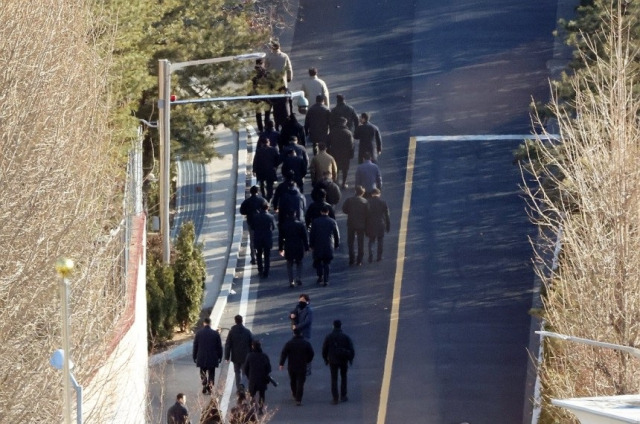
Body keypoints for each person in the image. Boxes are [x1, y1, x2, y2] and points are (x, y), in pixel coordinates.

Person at [322, 320, 355, 405]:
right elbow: (351, 349)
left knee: (334, 379)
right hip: (343, 359)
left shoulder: (329, 337)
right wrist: (350, 359)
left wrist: (326, 359)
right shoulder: (345, 337)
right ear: (341, 326)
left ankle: (335, 398)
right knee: (344, 377)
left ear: (333, 326)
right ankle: (343, 396)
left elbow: (324, 349)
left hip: (333, 360)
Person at [279, 328, 315, 406]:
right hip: (302, 365)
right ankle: (299, 399)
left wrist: (281, 363)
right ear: (301, 334)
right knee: (301, 382)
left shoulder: (289, 343)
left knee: (293, 381)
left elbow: (284, 353)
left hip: (291, 365)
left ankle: (295, 394)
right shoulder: (305, 343)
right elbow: (311, 353)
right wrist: (307, 360)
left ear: (294, 334)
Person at [309, 205, 340, 285]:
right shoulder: (332, 221)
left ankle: (320, 276)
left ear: (321, 212)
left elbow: (312, 234)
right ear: (328, 212)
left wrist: (311, 244)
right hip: (328, 244)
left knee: (318, 261)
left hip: (318, 244)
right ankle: (326, 279)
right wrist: (336, 244)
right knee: (327, 262)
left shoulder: (315, 222)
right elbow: (336, 234)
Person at [278, 211, 309, 288]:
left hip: (288, 246)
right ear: (295, 214)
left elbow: (281, 238)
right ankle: (298, 277)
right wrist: (306, 248)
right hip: (298, 245)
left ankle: (291, 281)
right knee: (299, 262)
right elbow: (304, 237)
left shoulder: (284, 225)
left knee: (289, 263)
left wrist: (281, 248)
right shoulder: (300, 224)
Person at [193, 318, 223, 394]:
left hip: (201, 357)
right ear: (210, 324)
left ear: (204, 323)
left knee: (202, 371)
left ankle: (204, 383)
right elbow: (219, 347)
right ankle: (210, 386)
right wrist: (220, 356)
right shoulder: (215, 334)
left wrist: (194, 356)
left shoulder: (199, 333)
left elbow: (195, 346)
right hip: (212, 357)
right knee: (211, 373)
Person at [225, 315, 254, 393]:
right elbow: (252, 343)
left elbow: (228, 345)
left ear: (235, 321)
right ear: (242, 321)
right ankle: (243, 386)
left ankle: (238, 388)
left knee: (237, 372)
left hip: (235, 356)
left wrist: (227, 357)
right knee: (245, 372)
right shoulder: (247, 332)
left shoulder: (231, 332)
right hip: (245, 356)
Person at [240, 186, 268, 265]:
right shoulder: (262, 200)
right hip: (261, 223)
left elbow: (242, 211)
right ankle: (261, 253)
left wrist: (248, 213)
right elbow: (266, 208)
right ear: (257, 192)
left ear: (250, 192)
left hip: (251, 222)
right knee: (261, 238)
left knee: (252, 240)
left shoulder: (247, 202)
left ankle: (253, 257)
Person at [243, 339, 272, 414]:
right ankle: (261, 409)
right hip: (262, 379)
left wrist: (249, 376)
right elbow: (269, 368)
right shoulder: (264, 356)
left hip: (253, 379)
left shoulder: (250, 356)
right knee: (262, 394)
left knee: (252, 394)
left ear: (253, 346)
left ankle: (253, 408)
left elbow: (245, 368)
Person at [342, 185, 369, 266]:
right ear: (362, 193)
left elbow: (344, 209)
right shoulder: (365, 202)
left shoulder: (349, 200)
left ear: (355, 191)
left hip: (351, 223)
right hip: (361, 224)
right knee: (360, 242)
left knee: (350, 242)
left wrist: (350, 213)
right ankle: (359, 260)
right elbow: (368, 214)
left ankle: (351, 259)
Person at [327, 116, 354, 189]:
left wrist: (328, 152)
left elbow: (327, 143)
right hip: (345, 154)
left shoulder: (332, 132)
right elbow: (351, 145)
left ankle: (336, 182)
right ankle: (344, 183)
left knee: (336, 168)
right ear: (345, 123)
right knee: (345, 169)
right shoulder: (348, 133)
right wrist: (351, 154)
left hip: (334, 153)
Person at [366, 188, 390, 262]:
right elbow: (387, 216)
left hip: (370, 224)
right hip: (380, 224)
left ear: (372, 194)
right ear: (379, 194)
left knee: (371, 240)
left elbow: (365, 215)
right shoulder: (383, 202)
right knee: (380, 240)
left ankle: (370, 256)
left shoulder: (367, 202)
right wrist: (388, 226)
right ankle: (379, 257)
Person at [252, 203, 276, 278]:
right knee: (267, 255)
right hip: (267, 237)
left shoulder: (256, 217)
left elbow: (252, 227)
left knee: (259, 254)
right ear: (267, 208)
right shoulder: (270, 217)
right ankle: (266, 271)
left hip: (258, 237)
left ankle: (260, 269)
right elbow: (274, 227)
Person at [250, 59, 274, 134]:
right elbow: (271, 84)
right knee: (267, 114)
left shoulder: (254, 74)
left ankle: (260, 129)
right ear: (263, 64)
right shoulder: (267, 73)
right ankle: (266, 127)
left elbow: (251, 85)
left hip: (257, 96)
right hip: (267, 95)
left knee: (258, 113)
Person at [253, 137, 280, 202]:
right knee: (270, 184)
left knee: (262, 183)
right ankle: (269, 197)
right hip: (270, 170)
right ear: (268, 142)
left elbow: (255, 161)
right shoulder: (274, 150)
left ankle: (264, 195)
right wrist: (275, 166)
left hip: (261, 170)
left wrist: (254, 170)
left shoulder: (259, 150)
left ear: (262, 143)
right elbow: (278, 159)